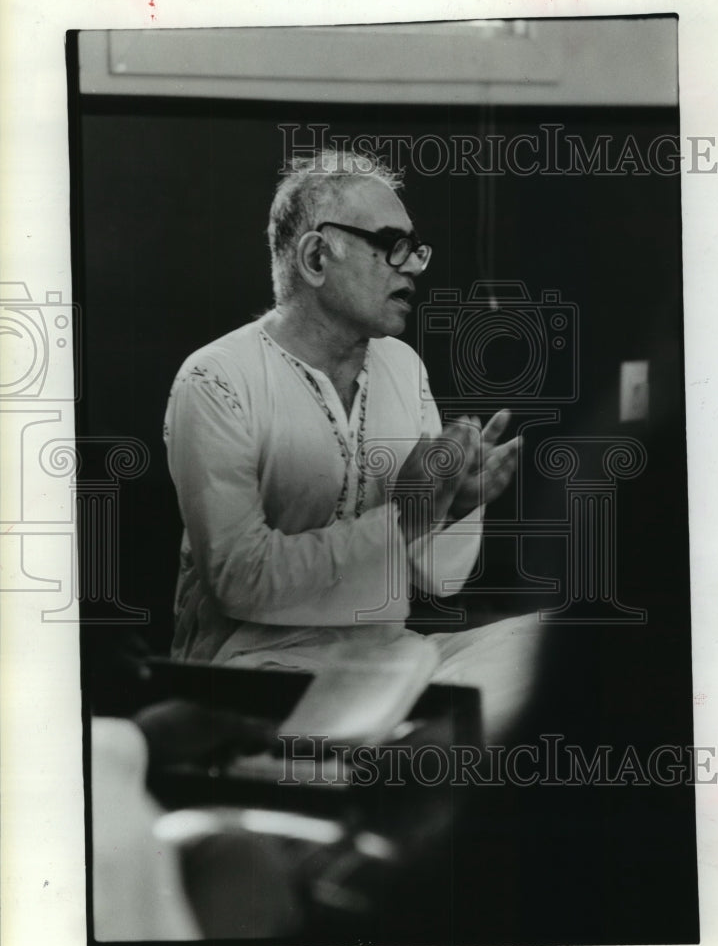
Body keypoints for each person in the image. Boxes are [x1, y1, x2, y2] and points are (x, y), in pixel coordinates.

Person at [164, 149, 543, 743]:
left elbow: (439, 580)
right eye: (392, 244)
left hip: (384, 657)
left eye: (416, 248)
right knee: (448, 730)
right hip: (260, 666)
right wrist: (407, 518)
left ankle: (393, 739)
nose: (412, 266)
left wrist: (454, 505)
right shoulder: (215, 378)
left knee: (555, 646)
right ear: (317, 257)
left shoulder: (403, 366)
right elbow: (239, 578)